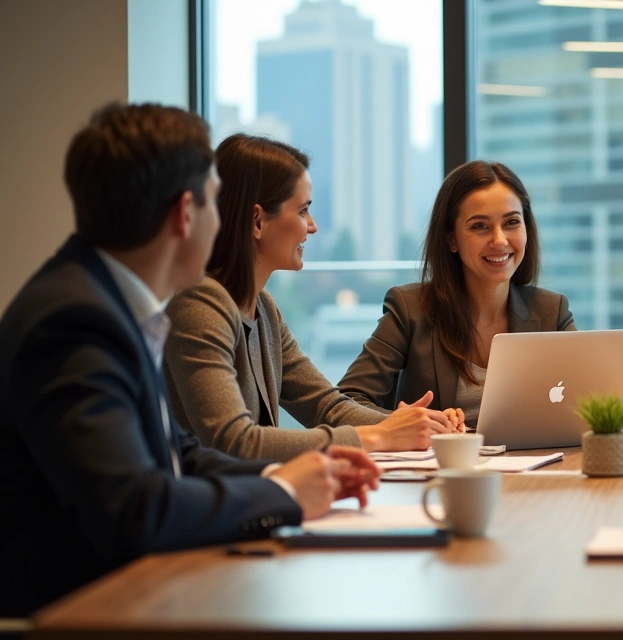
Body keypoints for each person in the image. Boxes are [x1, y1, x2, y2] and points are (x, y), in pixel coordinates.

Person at [0, 104, 380, 617]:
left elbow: (180, 452)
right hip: (83, 614)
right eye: (214, 205)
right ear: (185, 213)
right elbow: (137, 510)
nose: (221, 222)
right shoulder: (74, 322)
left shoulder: (107, 303)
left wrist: (289, 477)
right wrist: (285, 494)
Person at [164, 134, 453, 462]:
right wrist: (379, 435)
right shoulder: (199, 306)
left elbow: (326, 407)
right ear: (257, 221)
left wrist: (418, 425)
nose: (312, 227)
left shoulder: (263, 309)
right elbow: (235, 443)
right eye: (303, 211)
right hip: (216, 510)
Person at [339, 160, 574, 431]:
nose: (499, 240)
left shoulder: (551, 311)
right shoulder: (410, 310)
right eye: (480, 226)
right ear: (451, 238)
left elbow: (585, 405)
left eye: (511, 222)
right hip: (439, 468)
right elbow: (347, 400)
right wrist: (402, 423)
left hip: (532, 468)